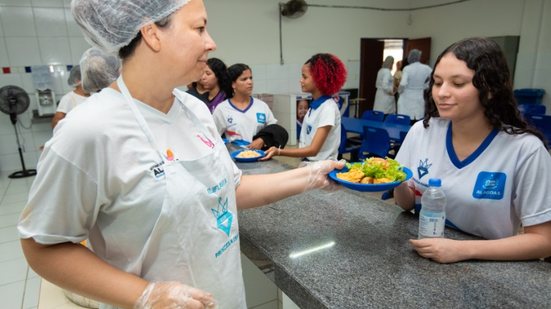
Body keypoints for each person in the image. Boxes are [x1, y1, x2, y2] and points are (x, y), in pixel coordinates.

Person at [18, 1, 343, 308]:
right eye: (199, 28)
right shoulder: (88, 130)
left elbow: (231, 188)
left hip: (225, 296)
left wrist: (310, 175)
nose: (211, 42)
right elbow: (43, 245)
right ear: (152, 33)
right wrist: (146, 295)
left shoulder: (194, 110)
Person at [393, 37, 551, 264]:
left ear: (489, 90)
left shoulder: (524, 150)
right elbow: (407, 204)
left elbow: (544, 240)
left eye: (457, 84)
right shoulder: (423, 131)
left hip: (490, 270)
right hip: (424, 256)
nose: (442, 93)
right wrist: (395, 179)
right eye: (437, 83)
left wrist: (463, 250)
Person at [263, 53, 347, 162]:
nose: (301, 80)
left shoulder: (328, 108)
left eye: (305, 77)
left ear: (319, 80)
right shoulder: (314, 106)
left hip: (322, 167)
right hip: (309, 163)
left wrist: (279, 151)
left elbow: (313, 150)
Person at [212, 63, 279, 150]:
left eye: (250, 78)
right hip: (235, 159)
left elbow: (274, 129)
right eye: (244, 79)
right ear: (233, 84)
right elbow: (213, 137)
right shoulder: (222, 109)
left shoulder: (262, 106)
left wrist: (263, 139)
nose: (250, 82)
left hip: (261, 157)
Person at [397, 49, 432, 122]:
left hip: (406, 98)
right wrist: (425, 85)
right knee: (417, 120)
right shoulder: (426, 68)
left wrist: (399, 91)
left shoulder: (407, 68)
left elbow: (403, 83)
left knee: (405, 119)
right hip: (419, 96)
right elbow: (433, 78)